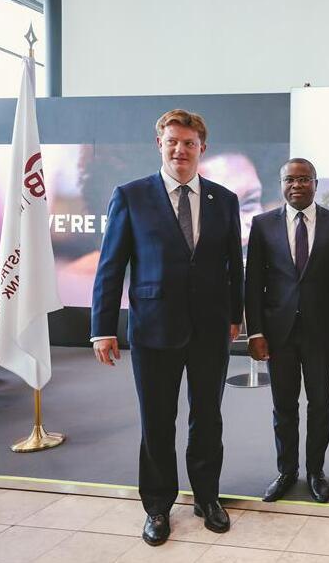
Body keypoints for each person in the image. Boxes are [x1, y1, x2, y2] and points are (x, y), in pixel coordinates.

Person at [91, 109, 244, 546]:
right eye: (173, 142)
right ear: (159, 144)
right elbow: (111, 266)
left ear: (202, 148)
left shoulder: (223, 200)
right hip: (153, 329)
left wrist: (235, 315)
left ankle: (207, 498)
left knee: (207, 418)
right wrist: (102, 327)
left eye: (189, 143)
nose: (180, 150)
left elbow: (234, 264)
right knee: (157, 421)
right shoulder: (131, 196)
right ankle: (157, 506)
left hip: (211, 330)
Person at [245, 157, 329, 503]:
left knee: (320, 404)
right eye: (290, 180)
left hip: (321, 332)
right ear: (281, 185)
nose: (297, 185)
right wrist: (255, 332)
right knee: (284, 406)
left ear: (316, 183)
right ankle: (286, 471)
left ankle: (316, 472)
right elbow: (253, 283)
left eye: (304, 179)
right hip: (279, 334)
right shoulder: (263, 225)